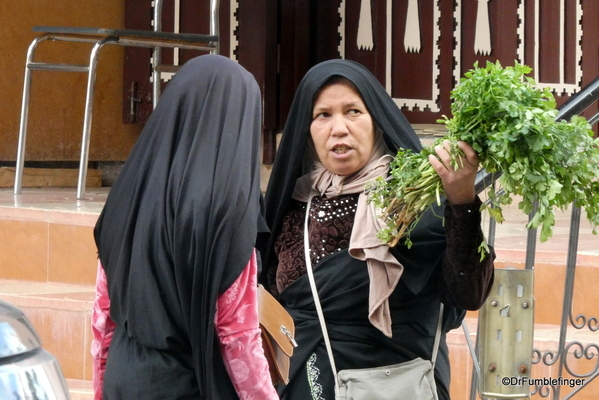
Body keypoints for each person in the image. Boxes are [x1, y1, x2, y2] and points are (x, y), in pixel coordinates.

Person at [259, 59, 495, 400]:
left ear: (377, 123)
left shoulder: (415, 203)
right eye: (322, 115)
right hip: (307, 385)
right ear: (306, 130)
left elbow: (468, 294)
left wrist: (461, 201)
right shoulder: (292, 206)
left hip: (399, 384)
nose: (338, 128)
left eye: (353, 111)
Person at [91, 54, 278, 400]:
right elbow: (237, 334)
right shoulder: (227, 214)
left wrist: (102, 385)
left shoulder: (127, 197)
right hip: (188, 384)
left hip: (124, 374)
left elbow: (104, 312)